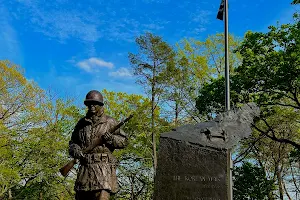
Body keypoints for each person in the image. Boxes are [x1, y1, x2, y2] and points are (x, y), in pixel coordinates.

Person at [69, 90, 128, 200]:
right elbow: (73, 143)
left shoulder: (110, 122)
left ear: (100, 105)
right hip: (85, 171)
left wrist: (111, 139)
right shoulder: (81, 124)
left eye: (94, 103)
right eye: (89, 104)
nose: (91, 106)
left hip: (103, 171)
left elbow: (124, 141)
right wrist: (75, 149)